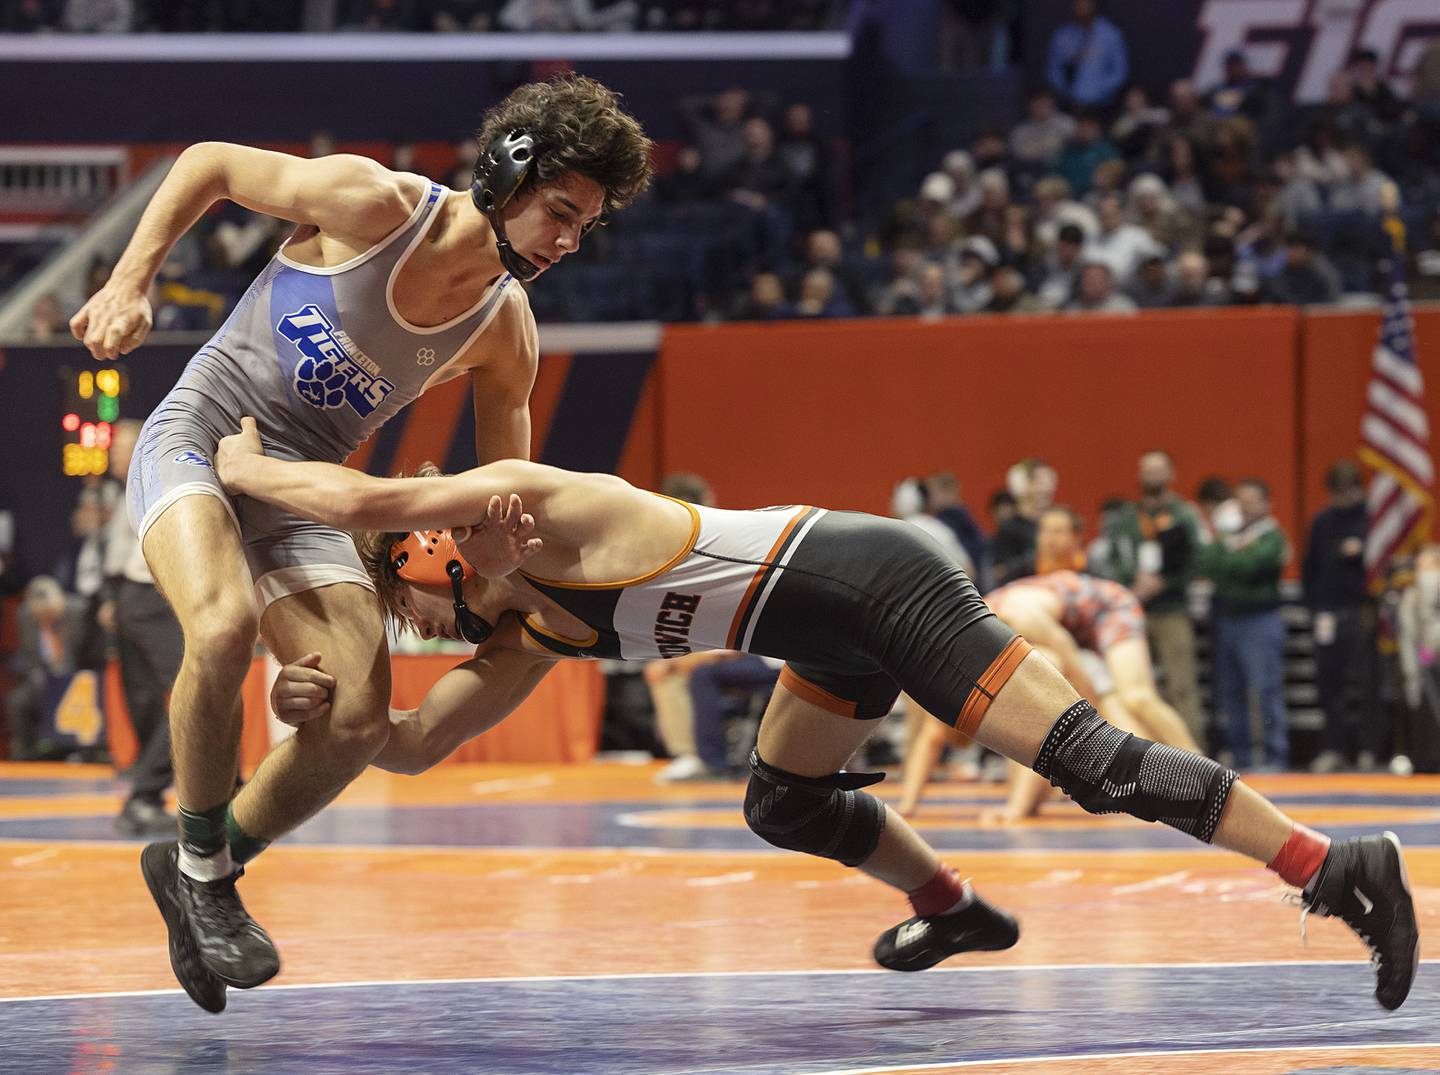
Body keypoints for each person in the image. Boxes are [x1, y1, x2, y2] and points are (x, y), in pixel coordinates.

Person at [218, 424, 1420, 1011]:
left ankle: (1334, 862)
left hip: (876, 577)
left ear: (429, 543)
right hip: (823, 633)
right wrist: (322, 709)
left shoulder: (537, 501)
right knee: (784, 796)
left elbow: (370, 493)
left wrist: (254, 474)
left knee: (1088, 762)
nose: (426, 617)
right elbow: (417, 743)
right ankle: (951, 906)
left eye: (410, 591)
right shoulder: (537, 632)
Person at [68, 74, 653, 1013]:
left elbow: (498, 492)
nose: (570, 240)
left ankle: (196, 868)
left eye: (586, 225)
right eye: (561, 211)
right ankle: (205, 872)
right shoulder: (374, 204)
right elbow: (207, 163)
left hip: (306, 482)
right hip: (205, 432)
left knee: (354, 719)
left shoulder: (505, 329)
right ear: (507, 173)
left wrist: (497, 559)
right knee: (218, 629)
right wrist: (128, 278)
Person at [908, 506, 1203, 821]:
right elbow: (931, 738)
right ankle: (1157, 783)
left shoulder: (1014, 621)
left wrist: (1096, 715)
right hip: (1070, 625)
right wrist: (905, 808)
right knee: (1044, 708)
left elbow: (1063, 669)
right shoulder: (973, 656)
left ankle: (1201, 774)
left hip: (1109, 607)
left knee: (1135, 698)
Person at [100, 419, 185, 836]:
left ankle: (228, 794)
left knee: (196, 697)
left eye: (121, 450)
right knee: (199, 696)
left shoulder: (148, 477)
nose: (114, 458)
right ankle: (144, 795)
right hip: (149, 598)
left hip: (146, 598)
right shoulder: (146, 480)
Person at [1106, 451, 1205, 745]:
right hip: (1132, 610)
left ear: (1171, 474)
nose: (1153, 476)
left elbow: (1198, 559)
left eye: (1159, 470)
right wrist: (1130, 584)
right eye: (1147, 470)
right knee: (1134, 686)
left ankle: (1193, 753)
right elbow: (1112, 558)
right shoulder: (1126, 518)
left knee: (1181, 684)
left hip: (1172, 608)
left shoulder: (1185, 514)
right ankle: (1139, 752)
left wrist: (1164, 582)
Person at [1198, 478, 1291, 771]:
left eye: (1252, 500)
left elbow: (1252, 567)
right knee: (1231, 692)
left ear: (1266, 504)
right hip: (1227, 622)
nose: (1246, 507)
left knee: (1265, 689)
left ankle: (1276, 756)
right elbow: (1208, 564)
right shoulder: (1228, 537)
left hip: (1259, 621)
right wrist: (1230, 553)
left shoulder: (1272, 536)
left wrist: (1231, 560)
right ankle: (1241, 758)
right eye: (1242, 500)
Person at [1303, 461, 1382, 773]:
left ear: (1359, 490)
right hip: (1328, 612)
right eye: (1338, 492)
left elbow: (1381, 562)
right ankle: (1334, 747)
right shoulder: (1323, 521)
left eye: (1349, 492)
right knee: (1329, 683)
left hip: (1362, 609)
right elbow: (1310, 567)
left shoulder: (1373, 521)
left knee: (1367, 682)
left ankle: (1369, 748)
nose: (1343, 498)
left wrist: (1362, 551)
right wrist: (1315, 608)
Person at [1045, 0, 1129, 110]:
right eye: (1078, 4)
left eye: (1086, 3)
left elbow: (1119, 72)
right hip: (1069, 103)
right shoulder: (1062, 35)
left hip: (1102, 104)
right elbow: (1054, 70)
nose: (1082, 7)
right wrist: (1068, 93)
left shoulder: (1110, 34)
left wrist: (1094, 94)